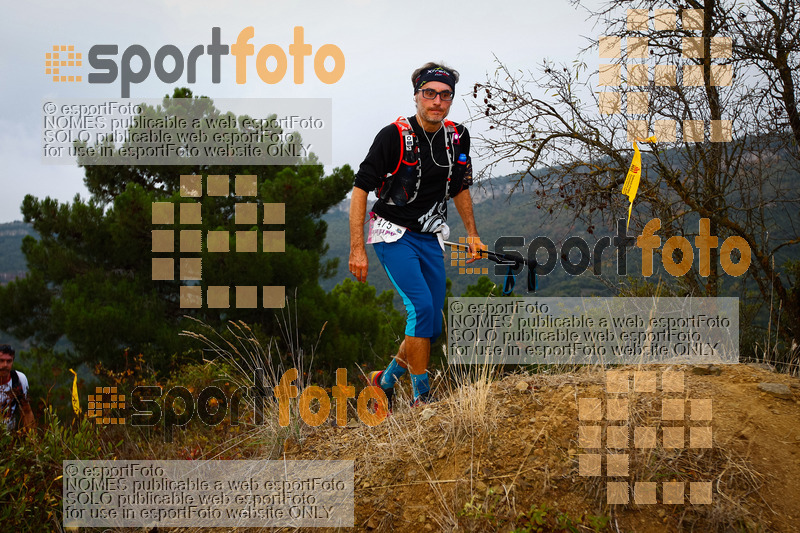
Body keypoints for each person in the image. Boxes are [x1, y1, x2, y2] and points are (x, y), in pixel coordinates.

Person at [349, 62, 483, 410]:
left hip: (430, 236)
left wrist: (472, 234)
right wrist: (357, 249)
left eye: (445, 95)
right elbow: (361, 189)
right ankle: (422, 397)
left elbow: (460, 187)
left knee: (431, 325)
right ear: (416, 96)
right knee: (421, 309)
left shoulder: (458, 137)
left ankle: (386, 379)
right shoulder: (392, 136)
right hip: (392, 233)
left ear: (451, 99)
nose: (437, 101)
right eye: (430, 94)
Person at [0, 344, 35, 431]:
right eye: (1, 361)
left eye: (9, 361)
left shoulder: (19, 379)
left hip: (8, 437)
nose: (5, 365)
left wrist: (33, 439)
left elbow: (26, 411)